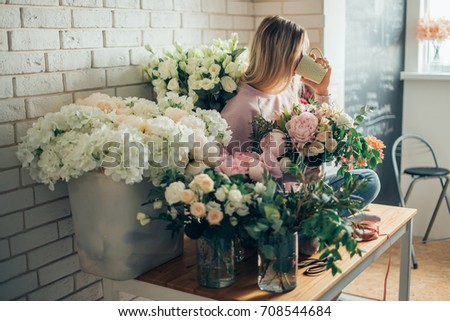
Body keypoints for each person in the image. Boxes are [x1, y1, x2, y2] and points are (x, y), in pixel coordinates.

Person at [220, 15, 380, 217]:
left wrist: (322, 92)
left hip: (303, 190)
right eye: (299, 53)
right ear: (281, 56)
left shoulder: (284, 93)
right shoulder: (241, 109)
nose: (303, 60)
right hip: (278, 202)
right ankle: (328, 221)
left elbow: (322, 135)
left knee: (369, 179)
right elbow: (239, 181)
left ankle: (323, 220)